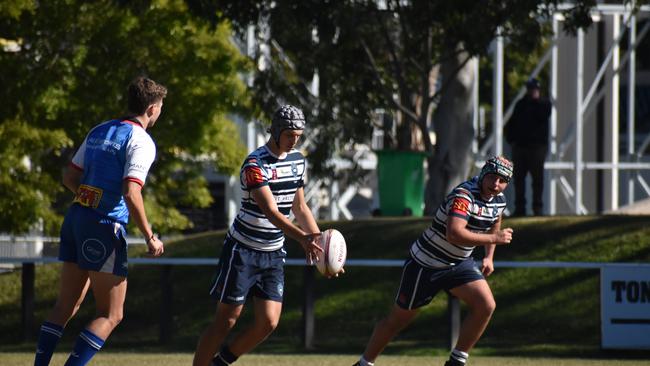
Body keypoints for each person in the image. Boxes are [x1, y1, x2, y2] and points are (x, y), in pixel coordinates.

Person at [33, 76, 167, 366]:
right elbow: (132, 192)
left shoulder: (100, 130)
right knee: (111, 314)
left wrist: (91, 197)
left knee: (65, 305)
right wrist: (149, 235)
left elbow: (70, 177)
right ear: (153, 109)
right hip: (104, 226)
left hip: (75, 218)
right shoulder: (141, 141)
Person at [193, 105, 327, 366]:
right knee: (226, 321)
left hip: (273, 253)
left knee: (268, 322)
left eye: (299, 135)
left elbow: (299, 207)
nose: (295, 140)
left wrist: (320, 244)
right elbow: (271, 211)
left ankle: (220, 362)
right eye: (290, 135)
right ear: (276, 131)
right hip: (242, 251)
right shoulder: (255, 164)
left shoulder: (297, 161)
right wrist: (303, 239)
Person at [353, 156, 515, 366]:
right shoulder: (464, 195)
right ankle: (364, 363)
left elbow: (495, 222)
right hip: (426, 264)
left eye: (502, 181)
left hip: (458, 264)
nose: (496, 184)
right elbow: (454, 234)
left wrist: (489, 256)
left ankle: (456, 361)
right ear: (484, 174)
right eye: (492, 177)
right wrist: (494, 239)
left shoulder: (499, 199)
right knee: (397, 321)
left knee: (486, 305)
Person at [504, 77, 551, 216]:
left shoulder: (543, 104)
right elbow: (512, 124)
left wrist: (535, 102)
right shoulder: (521, 104)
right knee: (519, 179)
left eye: (534, 89)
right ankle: (520, 208)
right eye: (530, 89)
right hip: (520, 147)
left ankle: (537, 207)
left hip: (537, 147)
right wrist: (511, 139)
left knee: (537, 179)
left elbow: (543, 116)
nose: (532, 92)